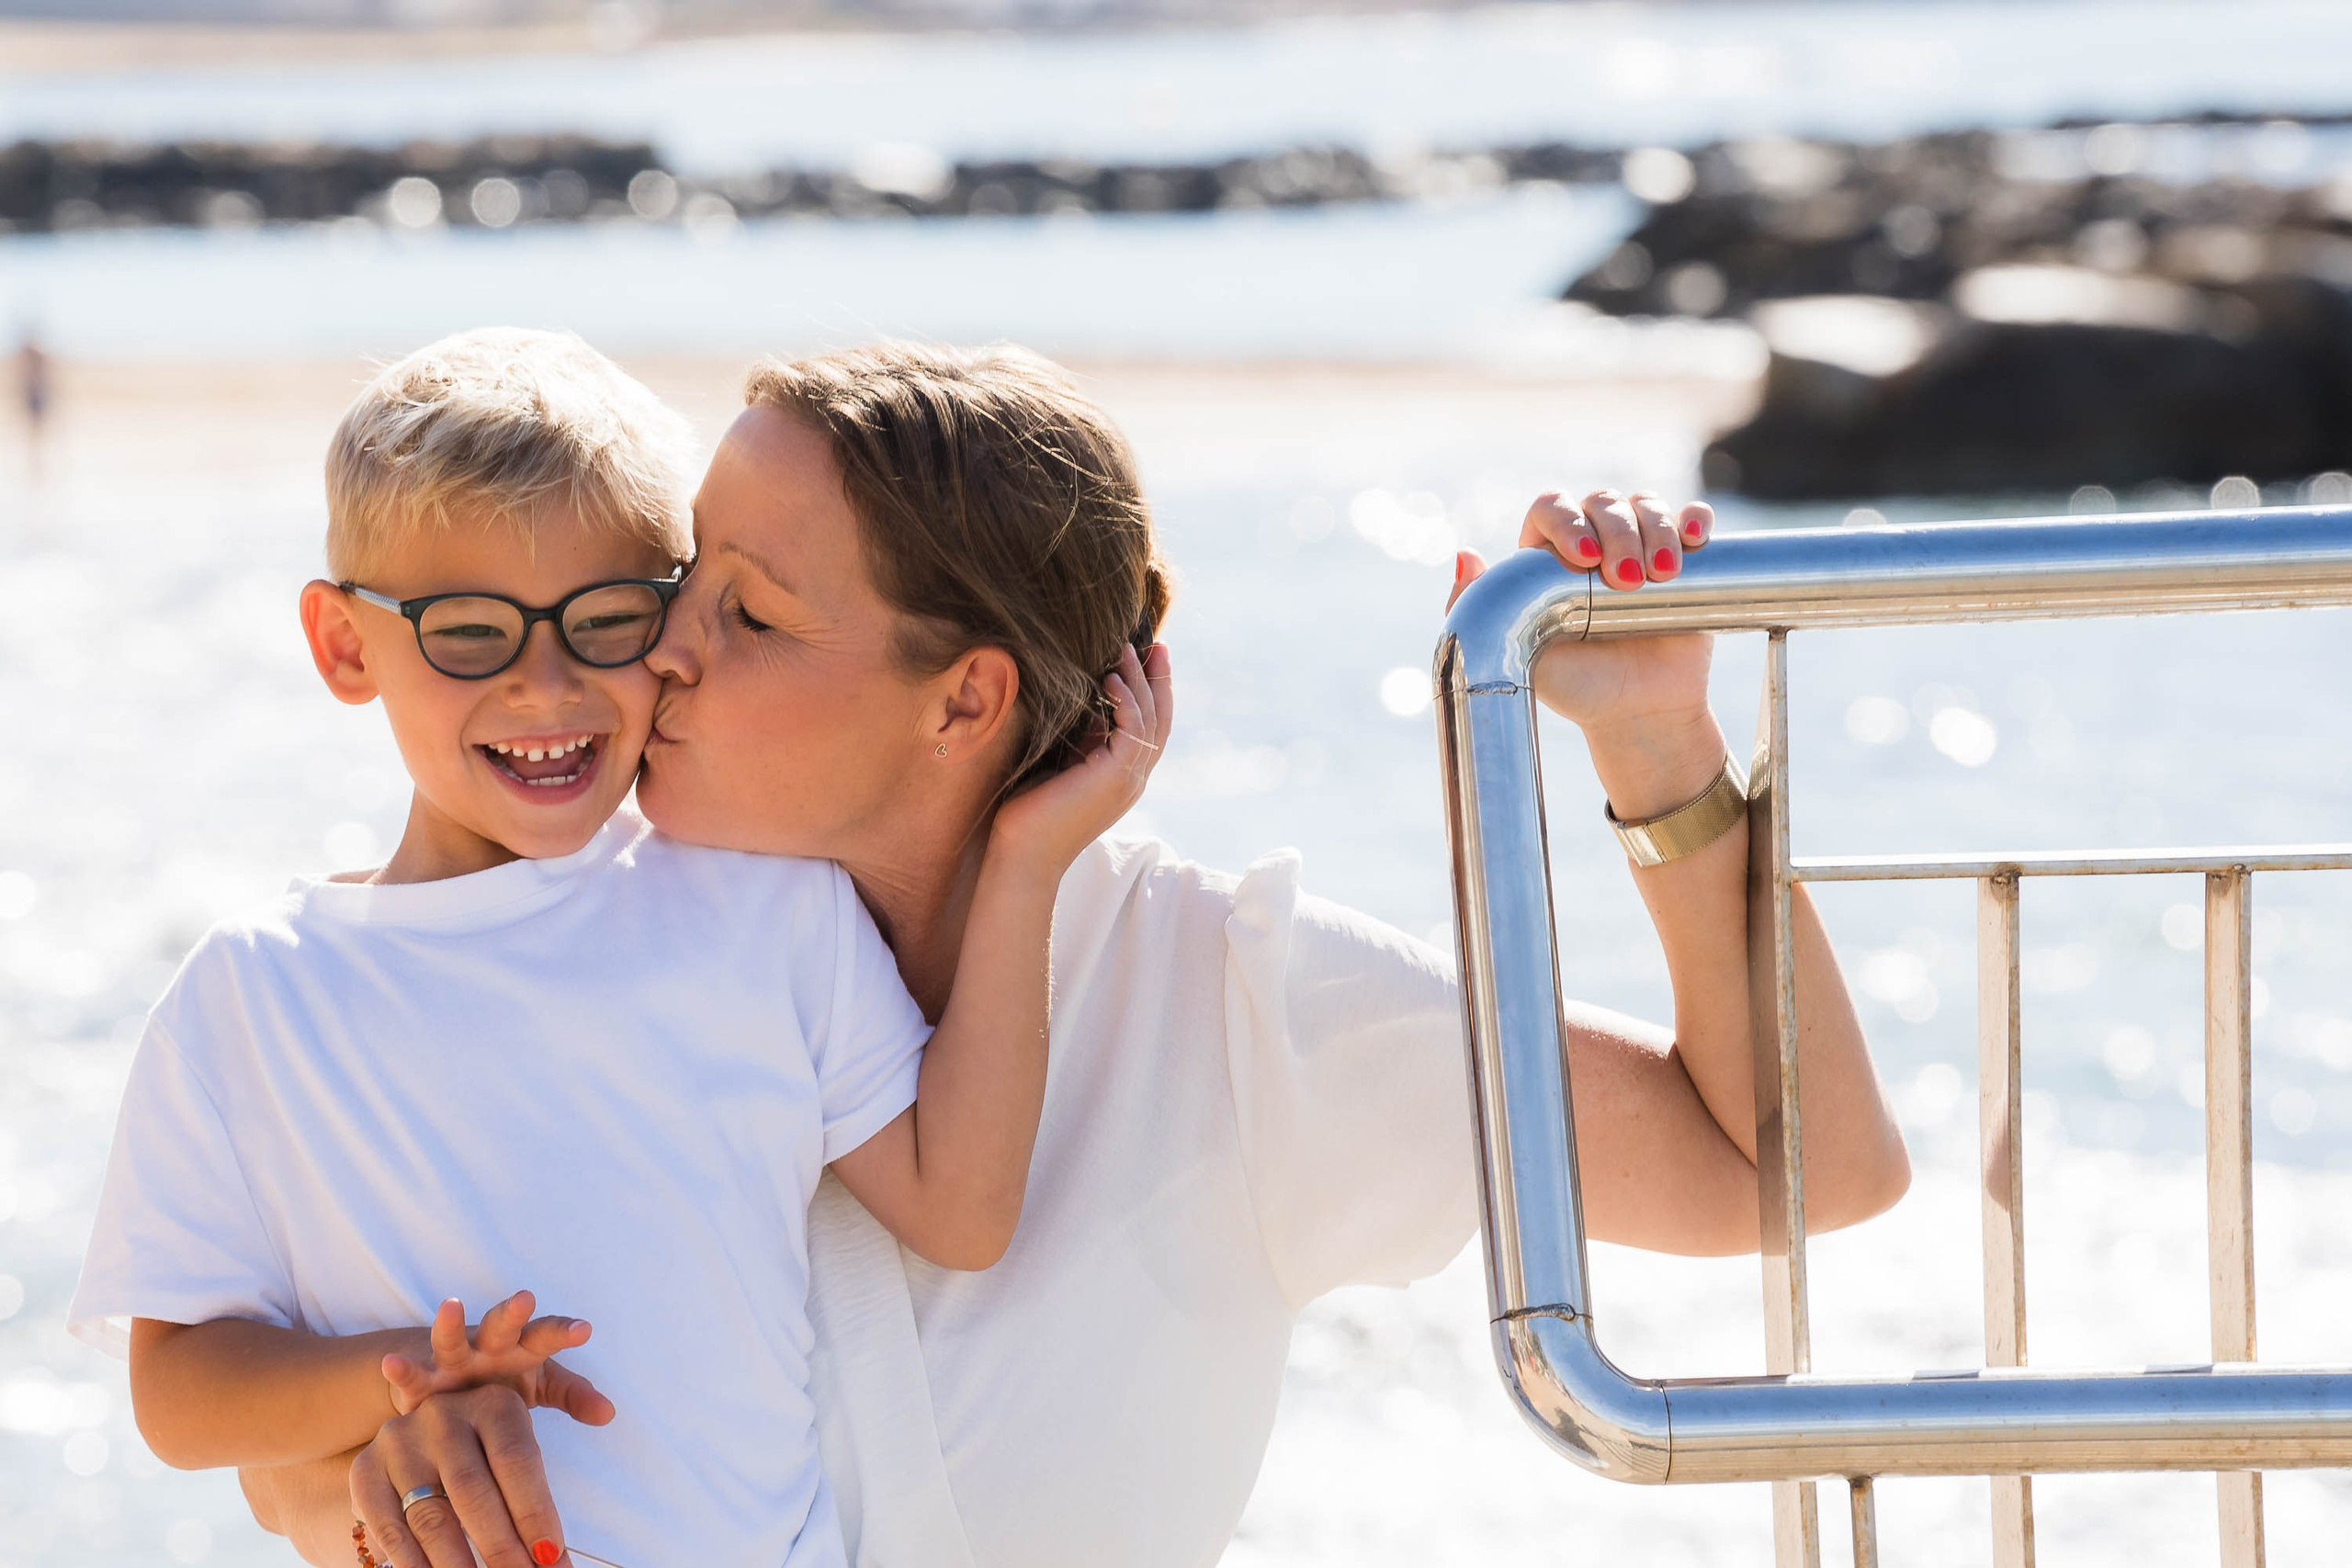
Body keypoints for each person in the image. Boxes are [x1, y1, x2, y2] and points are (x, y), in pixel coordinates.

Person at [242, 342, 1909, 1568]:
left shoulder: (1233, 1005)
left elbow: (1801, 1170)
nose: (656, 650)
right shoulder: (524, 949)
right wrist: (371, 1467)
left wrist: (1656, 748)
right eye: (684, 585)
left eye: (744, 613)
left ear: (963, 699)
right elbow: (284, 1432)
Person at [70, 330, 1164, 1568]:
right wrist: (412, 1381)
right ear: (344, 648)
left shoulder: (766, 908)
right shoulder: (255, 992)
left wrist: (1032, 862)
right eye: (471, 631)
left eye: (603, 621)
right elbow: (178, 1394)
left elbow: (961, 1212)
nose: (548, 688)